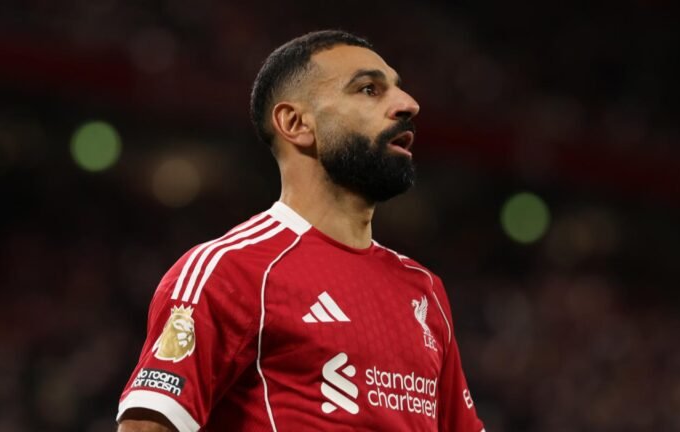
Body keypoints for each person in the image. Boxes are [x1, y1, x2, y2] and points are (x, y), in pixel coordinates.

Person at [117, 30, 485, 432]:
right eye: (368, 89)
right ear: (295, 123)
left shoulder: (425, 291)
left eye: (398, 88)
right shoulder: (230, 271)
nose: (408, 104)